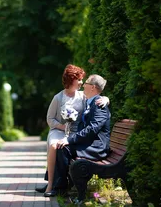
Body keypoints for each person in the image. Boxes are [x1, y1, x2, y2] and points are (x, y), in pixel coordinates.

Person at [35, 66, 109, 197]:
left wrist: (106, 99)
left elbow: (98, 98)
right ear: (71, 80)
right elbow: (50, 119)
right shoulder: (59, 97)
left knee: (62, 147)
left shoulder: (87, 98)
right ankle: (54, 184)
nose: (82, 83)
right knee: (57, 145)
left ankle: (59, 186)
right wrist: (63, 128)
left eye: (84, 82)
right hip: (60, 130)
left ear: (91, 87)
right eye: (80, 80)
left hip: (87, 140)